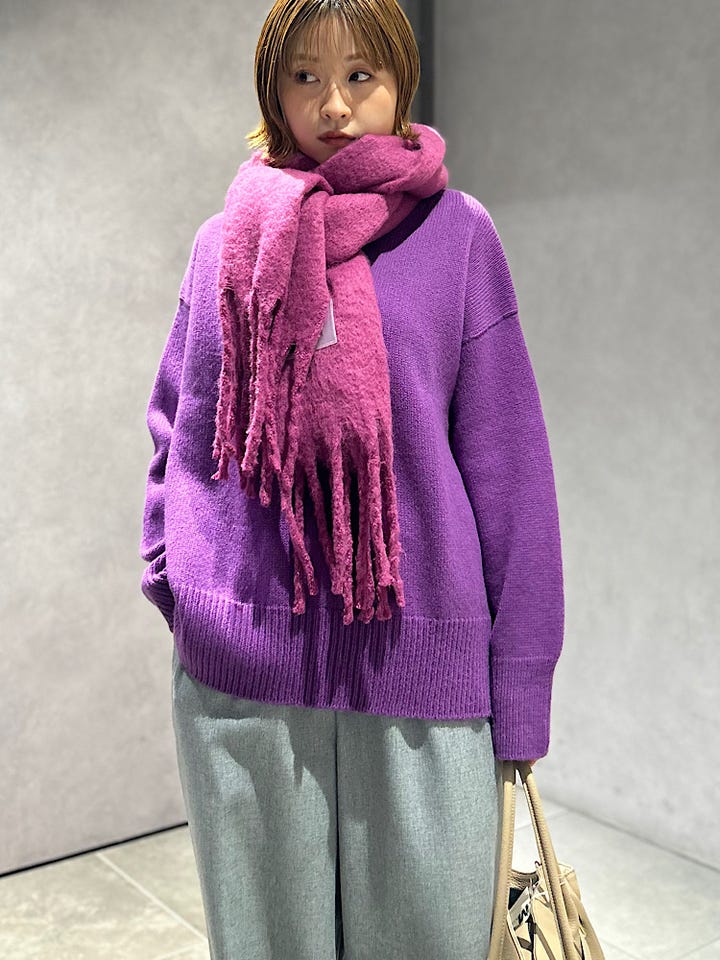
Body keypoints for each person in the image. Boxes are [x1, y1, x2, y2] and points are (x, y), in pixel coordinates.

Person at [138, 1, 563, 958]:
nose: (333, 104)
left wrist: (521, 685)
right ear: (273, 90)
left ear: (400, 81)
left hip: (422, 672)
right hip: (244, 678)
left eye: (360, 75)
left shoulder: (458, 236)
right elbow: (179, 424)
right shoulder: (225, 245)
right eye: (306, 76)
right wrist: (180, 582)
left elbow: (511, 470)